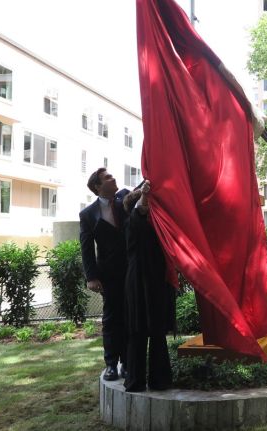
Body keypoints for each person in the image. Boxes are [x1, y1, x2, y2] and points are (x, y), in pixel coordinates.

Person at [122, 181, 176, 392]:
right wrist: (145, 194)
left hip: (154, 281)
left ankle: (159, 380)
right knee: (138, 331)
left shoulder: (154, 225)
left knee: (156, 331)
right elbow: (140, 211)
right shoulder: (133, 221)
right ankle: (136, 381)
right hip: (139, 283)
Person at [79, 168, 130, 381]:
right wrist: (91, 277)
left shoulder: (126, 199)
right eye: (108, 178)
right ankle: (111, 364)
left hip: (132, 270)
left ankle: (127, 362)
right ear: (98, 187)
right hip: (109, 275)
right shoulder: (88, 214)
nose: (114, 178)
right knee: (111, 320)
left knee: (130, 317)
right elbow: (86, 246)